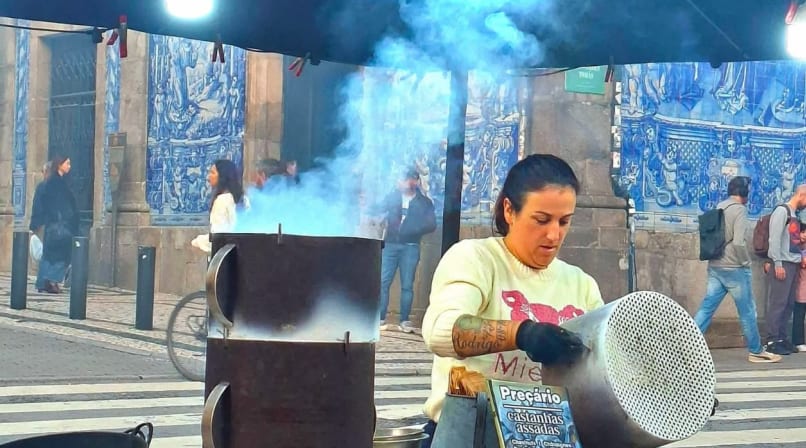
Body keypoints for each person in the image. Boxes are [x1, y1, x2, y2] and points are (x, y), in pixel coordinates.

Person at [420, 154, 604, 444]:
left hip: (551, 436)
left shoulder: (582, 284)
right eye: (541, 220)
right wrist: (522, 333)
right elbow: (441, 331)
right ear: (509, 210)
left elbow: (601, 365)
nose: (554, 234)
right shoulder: (476, 259)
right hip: (471, 435)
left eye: (564, 221)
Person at [693, 176, 781, 363]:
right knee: (747, 311)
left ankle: (687, 344)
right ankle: (756, 350)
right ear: (744, 192)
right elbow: (739, 242)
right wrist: (745, 262)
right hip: (734, 269)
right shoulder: (739, 210)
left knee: (707, 308)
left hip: (715, 266)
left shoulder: (720, 206)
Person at [378, 168, 437, 333]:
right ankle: (379, 318)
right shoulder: (392, 197)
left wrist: (412, 229)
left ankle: (404, 320)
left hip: (410, 246)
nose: (403, 182)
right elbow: (378, 209)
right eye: (402, 179)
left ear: (415, 181)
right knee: (383, 282)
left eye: (407, 179)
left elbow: (431, 224)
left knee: (407, 285)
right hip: (390, 244)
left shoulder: (424, 202)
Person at [764, 184, 806, 355]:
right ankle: (771, 340)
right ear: (802, 195)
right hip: (783, 263)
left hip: (793, 264)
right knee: (778, 303)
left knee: (788, 304)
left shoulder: (795, 215)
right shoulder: (782, 211)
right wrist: (777, 263)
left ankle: (781, 337)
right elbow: (774, 239)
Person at [35, 156, 78, 294]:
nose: (69, 166)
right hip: (60, 224)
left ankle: (43, 282)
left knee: (48, 254)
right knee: (63, 254)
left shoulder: (53, 182)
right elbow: (56, 204)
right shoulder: (57, 183)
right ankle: (52, 281)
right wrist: (61, 217)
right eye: (67, 163)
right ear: (60, 165)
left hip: (53, 223)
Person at [192, 159, 248, 254]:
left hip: (228, 254)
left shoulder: (222, 201)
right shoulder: (244, 199)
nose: (208, 177)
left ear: (222, 176)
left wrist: (197, 242)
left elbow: (219, 236)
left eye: (212, 173)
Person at [792, 222, 806, 353]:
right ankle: (798, 341)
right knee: (799, 315)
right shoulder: (795, 247)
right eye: (802, 232)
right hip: (800, 288)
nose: (804, 235)